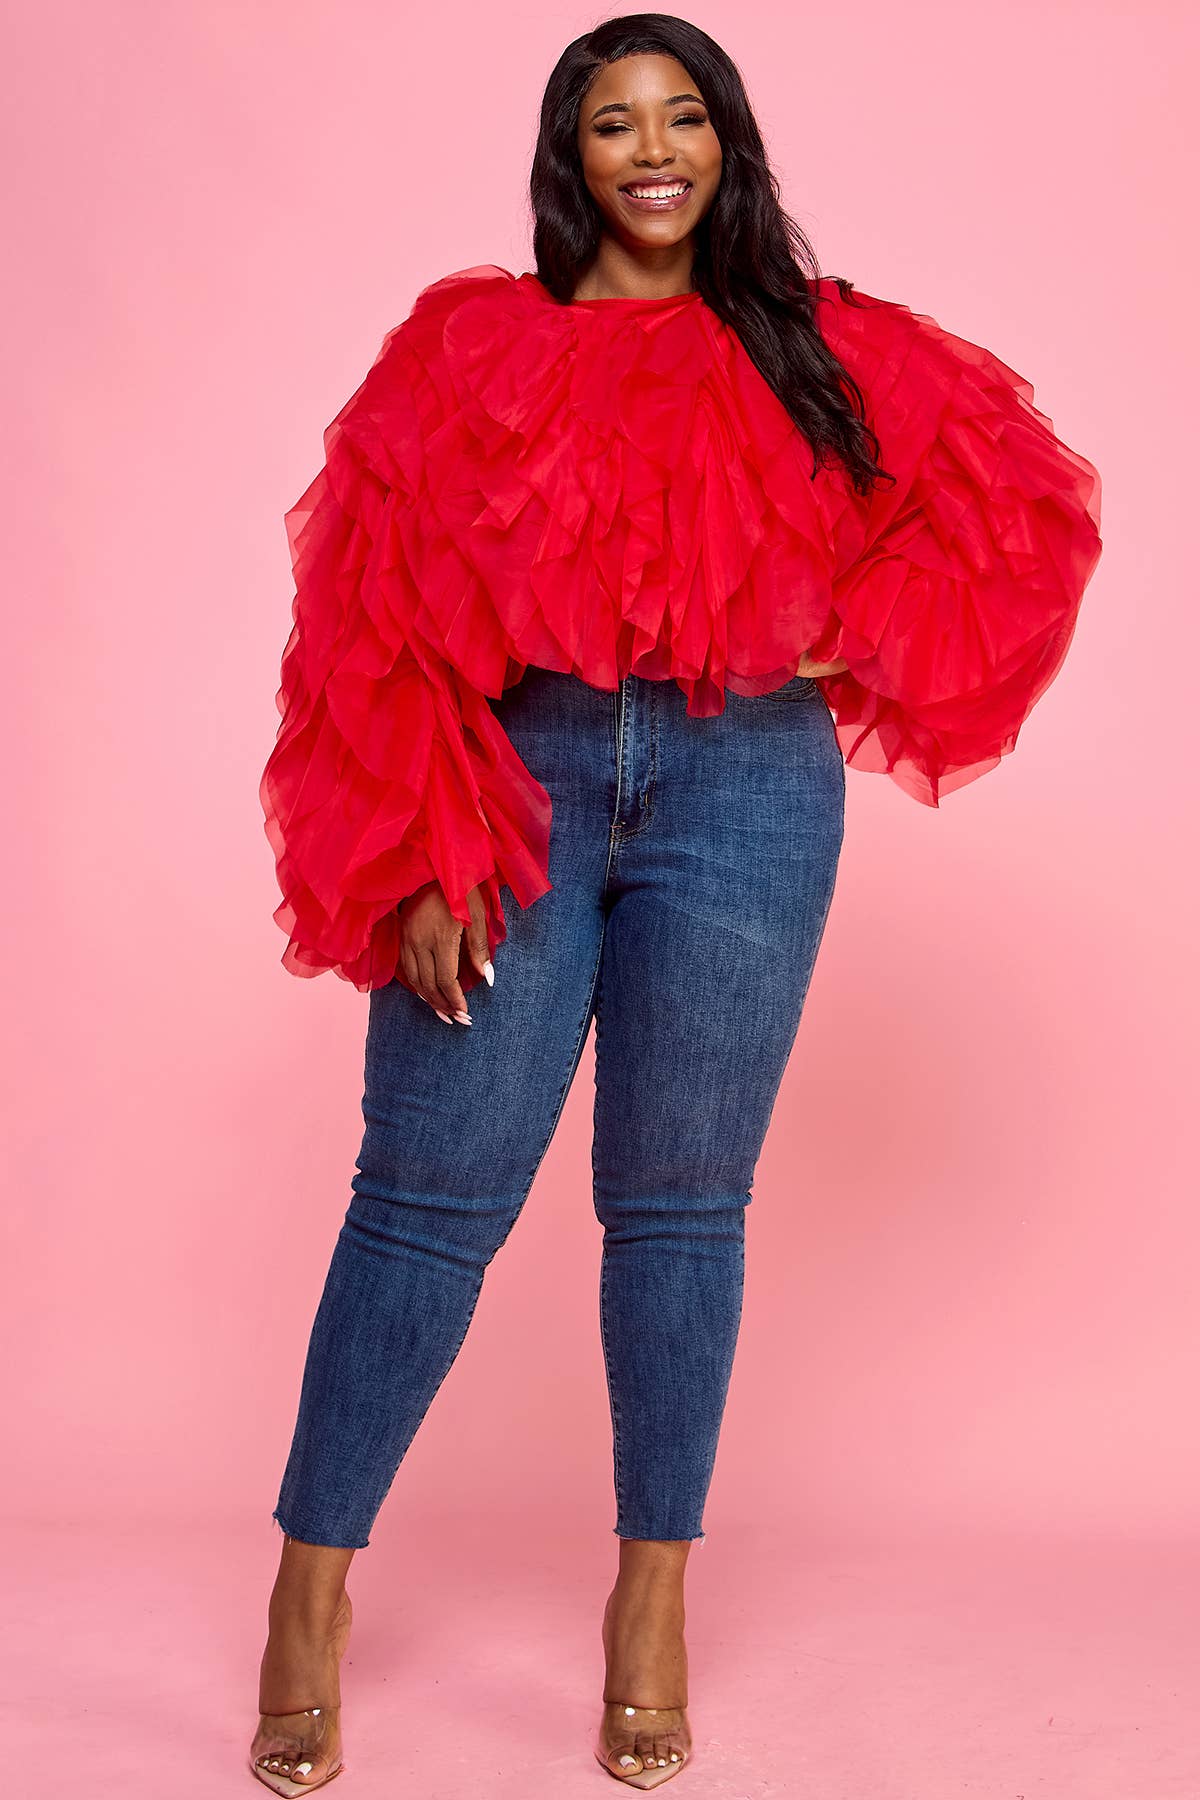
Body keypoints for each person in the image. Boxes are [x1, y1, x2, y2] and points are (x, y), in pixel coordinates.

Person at [249, 16, 1103, 1795]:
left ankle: (652, 1600)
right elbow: (373, 613)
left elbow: (1017, 509)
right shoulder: (474, 347)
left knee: (680, 1210)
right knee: (422, 1198)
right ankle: (310, 1594)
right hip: (523, 774)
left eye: (686, 114)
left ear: (728, 144)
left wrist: (831, 631)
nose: (656, 147)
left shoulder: (822, 348)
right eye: (616, 120)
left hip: (747, 788)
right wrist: (419, 846)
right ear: (572, 155)